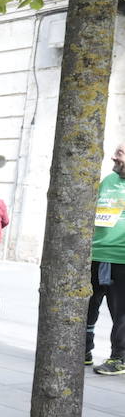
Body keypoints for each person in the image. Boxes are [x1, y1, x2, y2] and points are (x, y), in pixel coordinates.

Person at [88, 143, 125, 374]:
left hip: (122, 259)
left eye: (120, 153)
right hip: (96, 255)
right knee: (87, 306)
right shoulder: (108, 181)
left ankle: (119, 357)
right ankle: (83, 350)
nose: (114, 156)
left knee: (121, 311)